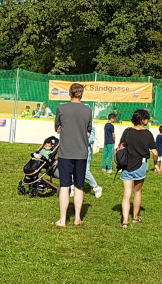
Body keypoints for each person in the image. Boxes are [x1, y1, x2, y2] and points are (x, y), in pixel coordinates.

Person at [54, 83, 94, 226]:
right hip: (82, 153)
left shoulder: (61, 109)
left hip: (65, 152)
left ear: (69, 93)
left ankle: (63, 220)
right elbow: (89, 132)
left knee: (65, 186)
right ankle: (77, 218)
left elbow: (57, 128)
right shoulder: (87, 111)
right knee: (79, 186)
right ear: (81, 94)